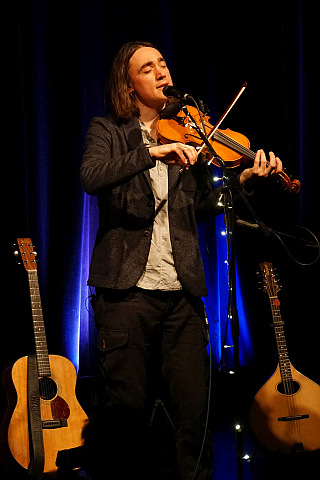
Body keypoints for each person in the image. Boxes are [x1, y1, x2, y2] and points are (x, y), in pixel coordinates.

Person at [80, 41, 283, 480]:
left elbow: (204, 207)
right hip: (125, 293)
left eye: (163, 64)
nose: (160, 71)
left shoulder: (188, 131)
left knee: (195, 417)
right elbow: (90, 176)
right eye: (146, 67)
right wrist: (149, 152)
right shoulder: (108, 130)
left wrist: (243, 180)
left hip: (183, 294)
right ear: (128, 83)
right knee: (126, 415)